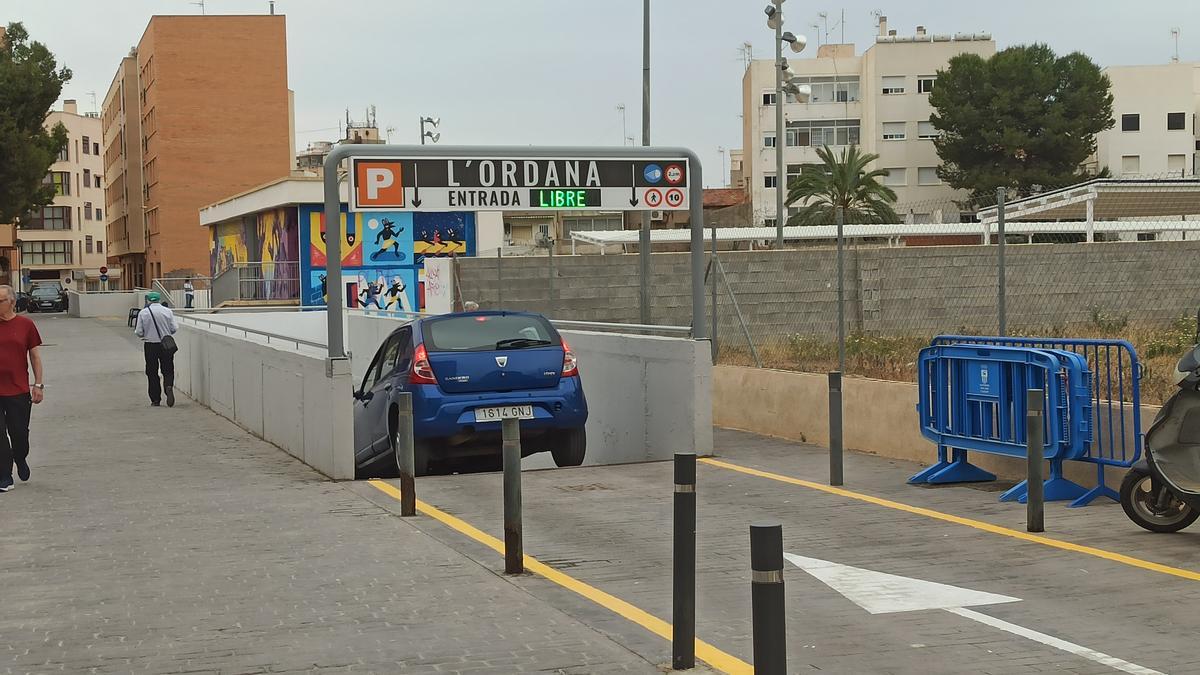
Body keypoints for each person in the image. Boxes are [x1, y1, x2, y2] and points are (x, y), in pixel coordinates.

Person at [0, 285, 44, 493]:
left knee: (19, 434)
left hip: (18, 389)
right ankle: (5, 475)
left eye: (0, 300)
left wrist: (38, 384)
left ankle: (20, 457)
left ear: (12, 302)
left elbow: (35, 356)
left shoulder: (26, 325)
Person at [134, 291, 178, 408]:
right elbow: (174, 328)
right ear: (159, 299)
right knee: (168, 368)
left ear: (148, 300)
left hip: (150, 344)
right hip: (166, 345)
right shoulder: (167, 311)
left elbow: (138, 331)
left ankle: (155, 399)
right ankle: (168, 386)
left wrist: (145, 334)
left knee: (152, 371)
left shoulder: (144, 313)